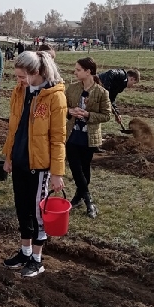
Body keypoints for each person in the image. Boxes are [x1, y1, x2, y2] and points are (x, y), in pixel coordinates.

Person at [1, 51, 67, 277]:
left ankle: (37, 260)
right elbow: (14, 127)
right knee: (22, 208)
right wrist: (9, 156)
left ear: (36, 72)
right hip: (19, 160)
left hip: (39, 166)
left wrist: (57, 173)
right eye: (17, 76)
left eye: (22, 77)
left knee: (38, 213)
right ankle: (25, 252)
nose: (18, 81)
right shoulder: (20, 91)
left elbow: (58, 138)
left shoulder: (55, 97)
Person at [65, 57, 112, 218]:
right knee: (75, 167)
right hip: (72, 134)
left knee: (85, 168)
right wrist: (70, 111)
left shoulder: (102, 92)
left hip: (89, 137)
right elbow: (62, 107)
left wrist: (88, 115)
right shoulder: (72, 88)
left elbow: (106, 115)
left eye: (78, 70)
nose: (75, 72)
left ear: (88, 71)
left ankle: (78, 197)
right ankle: (88, 200)